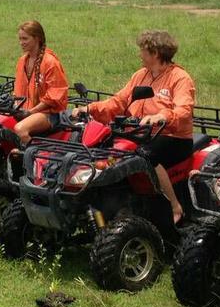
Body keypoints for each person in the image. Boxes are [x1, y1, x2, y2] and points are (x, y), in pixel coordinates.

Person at [72, 30, 194, 223]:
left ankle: (174, 206)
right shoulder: (140, 75)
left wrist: (162, 116)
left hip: (172, 137)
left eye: (143, 50)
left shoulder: (180, 78)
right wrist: (90, 108)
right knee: (106, 153)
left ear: (155, 53)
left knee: (146, 154)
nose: (139, 54)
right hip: (139, 134)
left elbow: (184, 109)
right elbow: (118, 102)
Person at [12, 20, 69, 144]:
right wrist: (16, 107)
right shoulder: (22, 61)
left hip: (49, 113)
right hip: (27, 110)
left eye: (25, 39)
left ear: (37, 38)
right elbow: (18, 90)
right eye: (20, 39)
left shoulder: (50, 62)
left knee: (20, 129)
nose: (21, 43)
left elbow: (54, 97)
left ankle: (34, 158)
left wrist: (31, 112)